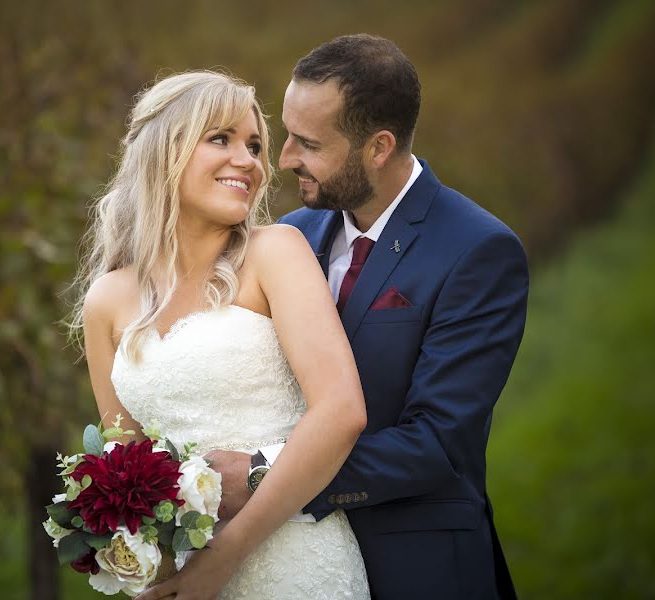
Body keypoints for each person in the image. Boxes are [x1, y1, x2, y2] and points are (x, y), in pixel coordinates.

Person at [206, 34, 529, 599]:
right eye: (285, 135)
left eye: (308, 143)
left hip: (414, 568)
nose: (283, 160)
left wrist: (263, 475)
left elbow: (435, 444)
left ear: (378, 147)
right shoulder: (290, 238)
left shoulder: (478, 251)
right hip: (285, 567)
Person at [69, 71, 371, 599]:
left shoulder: (275, 252)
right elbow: (126, 462)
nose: (249, 161)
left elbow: (341, 412)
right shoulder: (107, 301)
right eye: (221, 139)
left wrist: (222, 561)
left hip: (294, 561)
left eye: (254, 145)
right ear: (165, 152)